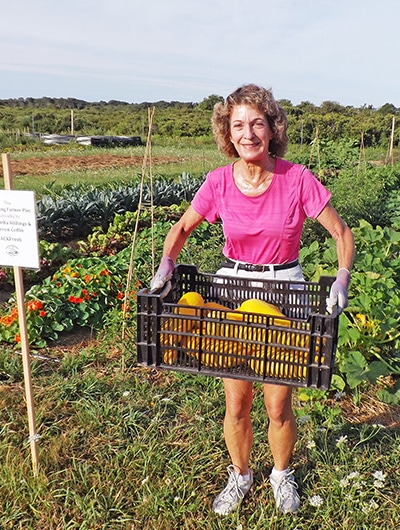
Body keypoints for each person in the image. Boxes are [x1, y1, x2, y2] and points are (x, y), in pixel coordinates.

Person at [149, 83, 354, 515]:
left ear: (272, 127)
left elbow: (340, 232)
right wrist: (167, 263)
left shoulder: (296, 178)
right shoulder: (219, 181)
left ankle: (281, 475)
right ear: (228, 131)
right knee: (236, 400)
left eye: (257, 123)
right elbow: (183, 227)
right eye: (238, 125)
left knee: (278, 403)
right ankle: (240, 475)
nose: (248, 133)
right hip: (232, 290)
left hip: (285, 291)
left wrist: (342, 277)